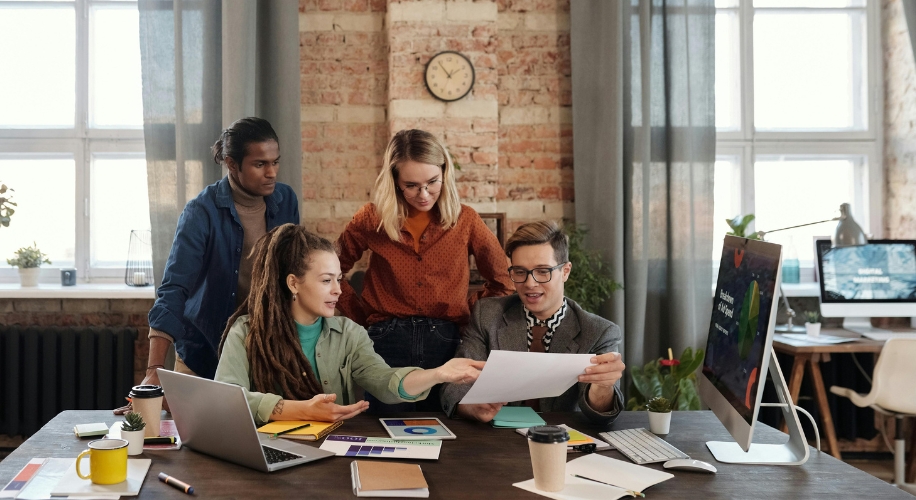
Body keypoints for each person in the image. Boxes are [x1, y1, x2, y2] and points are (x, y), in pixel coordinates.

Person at [115, 117, 299, 415]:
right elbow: (174, 289)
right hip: (205, 353)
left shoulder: (285, 199)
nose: (272, 172)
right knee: (193, 450)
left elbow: (293, 275)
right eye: (260, 164)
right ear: (232, 164)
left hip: (265, 354)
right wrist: (154, 370)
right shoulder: (201, 211)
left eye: (275, 162)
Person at [214, 224, 484, 425]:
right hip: (269, 453)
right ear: (294, 283)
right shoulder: (247, 332)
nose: (338, 290)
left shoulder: (350, 334)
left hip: (333, 454)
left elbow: (385, 382)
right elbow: (227, 400)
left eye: (339, 279)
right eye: (325, 280)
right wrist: (300, 410)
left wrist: (438, 374)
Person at [336, 129, 514, 412]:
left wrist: (466, 310)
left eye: (432, 182)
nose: (423, 194)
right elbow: (333, 271)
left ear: (445, 172)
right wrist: (361, 317)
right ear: (395, 180)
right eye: (411, 185)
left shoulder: (465, 220)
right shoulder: (371, 219)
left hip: (445, 342)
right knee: (385, 429)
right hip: (385, 341)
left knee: (447, 429)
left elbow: (504, 281)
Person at [440, 220, 626, 424]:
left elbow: (599, 414)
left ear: (565, 271)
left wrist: (604, 386)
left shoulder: (599, 331)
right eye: (520, 272)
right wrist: (470, 407)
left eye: (542, 271)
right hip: (496, 440)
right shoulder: (487, 314)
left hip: (562, 441)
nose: (530, 283)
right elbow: (455, 384)